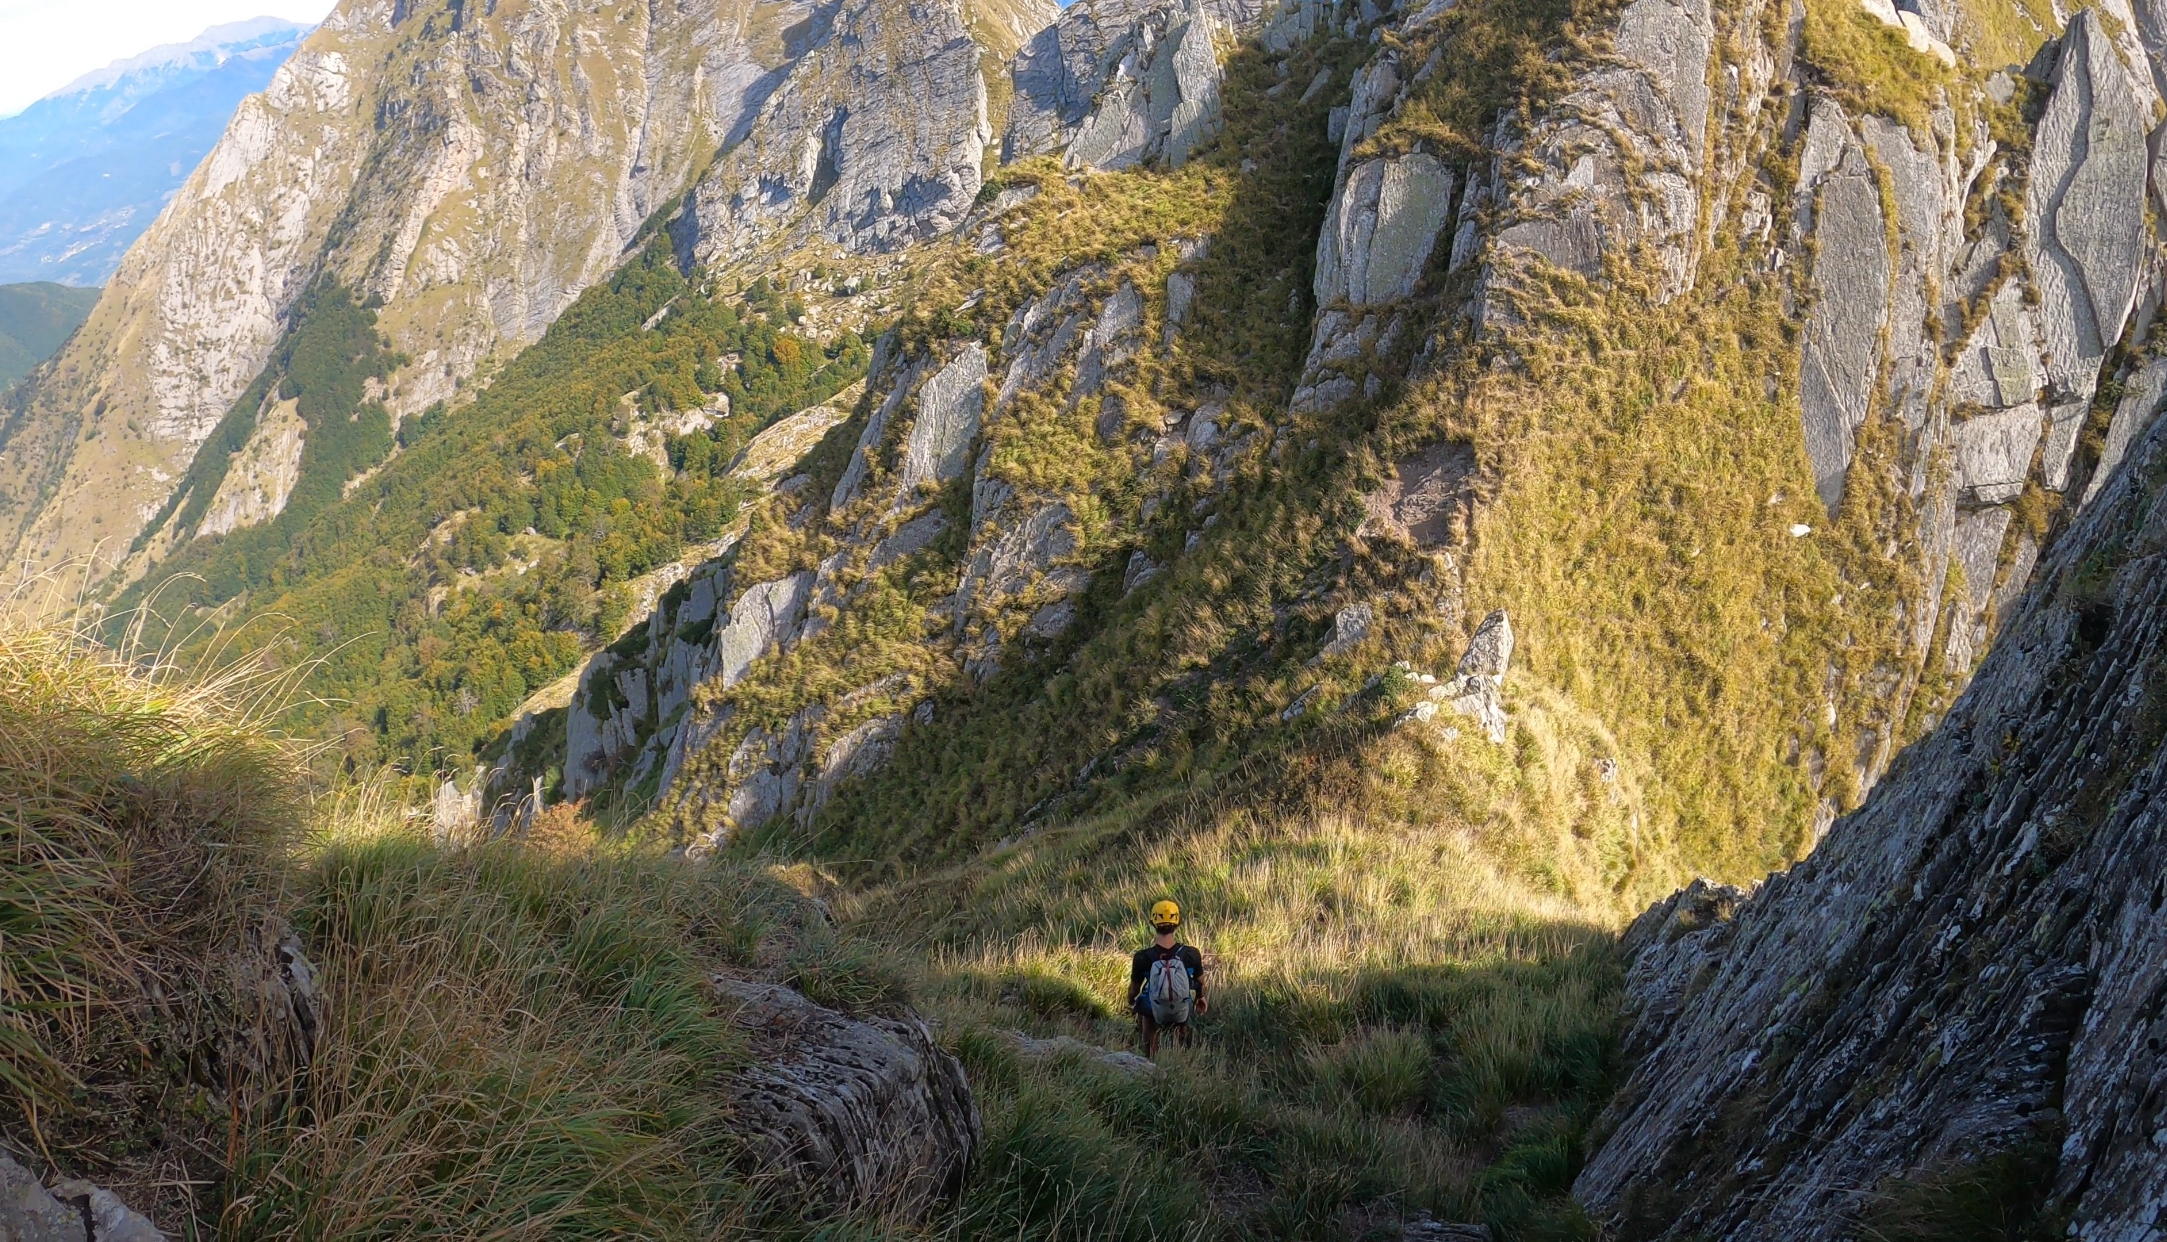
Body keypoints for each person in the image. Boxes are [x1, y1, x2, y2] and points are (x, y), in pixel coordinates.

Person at [1130, 899, 1206, 1057]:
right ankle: (1182, 1050)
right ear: (1177, 922)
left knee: (1145, 1007)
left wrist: (1131, 1000)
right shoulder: (1191, 954)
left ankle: (1151, 1055)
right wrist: (1201, 997)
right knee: (1184, 1002)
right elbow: (1200, 983)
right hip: (1179, 1004)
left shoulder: (1142, 957)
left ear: (1152, 922)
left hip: (1154, 1005)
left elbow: (1134, 989)